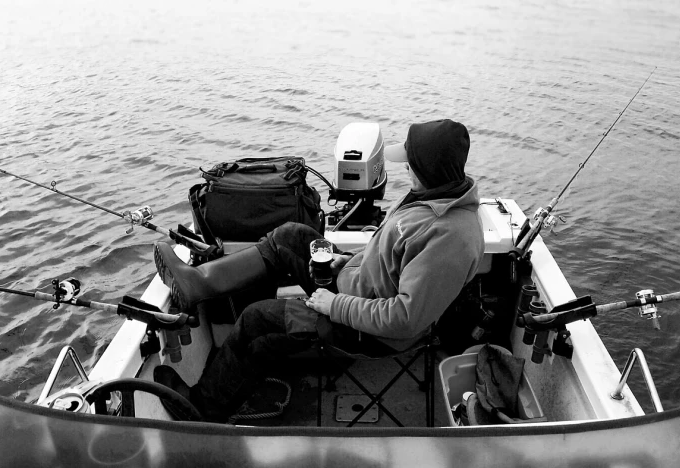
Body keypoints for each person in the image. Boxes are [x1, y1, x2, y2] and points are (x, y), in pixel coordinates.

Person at [153, 118, 485, 422]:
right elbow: (386, 258)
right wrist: (346, 263)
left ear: (431, 168)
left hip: (367, 330)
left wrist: (333, 304)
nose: (406, 167)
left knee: (256, 318)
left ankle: (200, 409)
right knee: (290, 236)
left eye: (413, 162)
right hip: (353, 289)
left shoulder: (450, 238)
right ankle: (199, 283)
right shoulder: (429, 196)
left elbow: (404, 318)